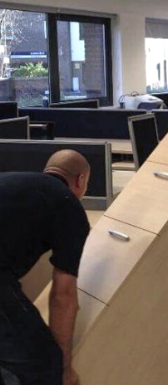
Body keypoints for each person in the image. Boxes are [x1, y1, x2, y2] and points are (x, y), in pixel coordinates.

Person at [0, 150, 91, 385]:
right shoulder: (68, 206)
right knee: (43, 363)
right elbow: (63, 295)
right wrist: (65, 368)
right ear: (80, 180)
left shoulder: (12, 181)